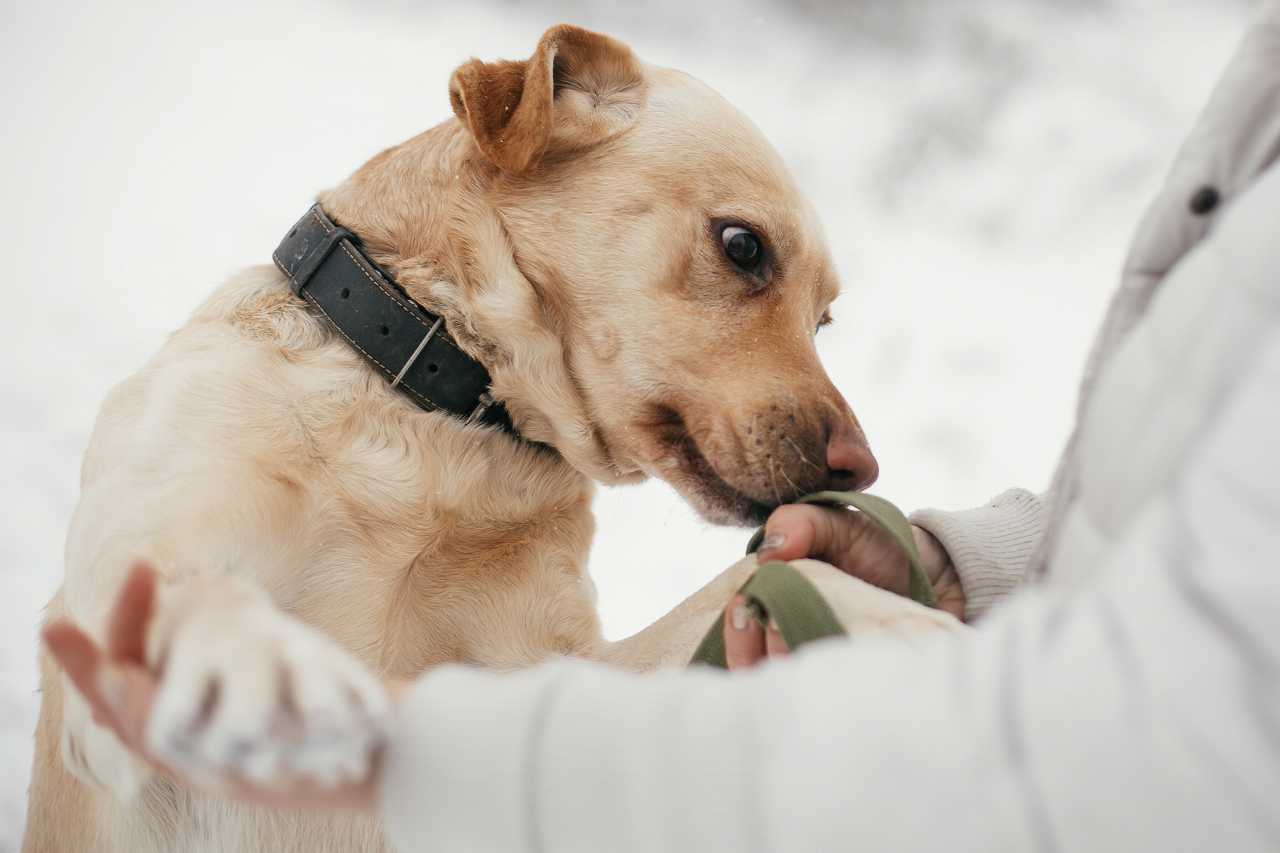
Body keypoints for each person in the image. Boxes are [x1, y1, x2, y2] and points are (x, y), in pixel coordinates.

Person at [44, 4, 1280, 850]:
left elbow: (546, 760)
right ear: (533, 130)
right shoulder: (222, 395)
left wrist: (854, 596)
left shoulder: (536, 495)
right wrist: (186, 640)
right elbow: (113, 691)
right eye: (740, 256)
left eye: (814, 322)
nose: (844, 441)